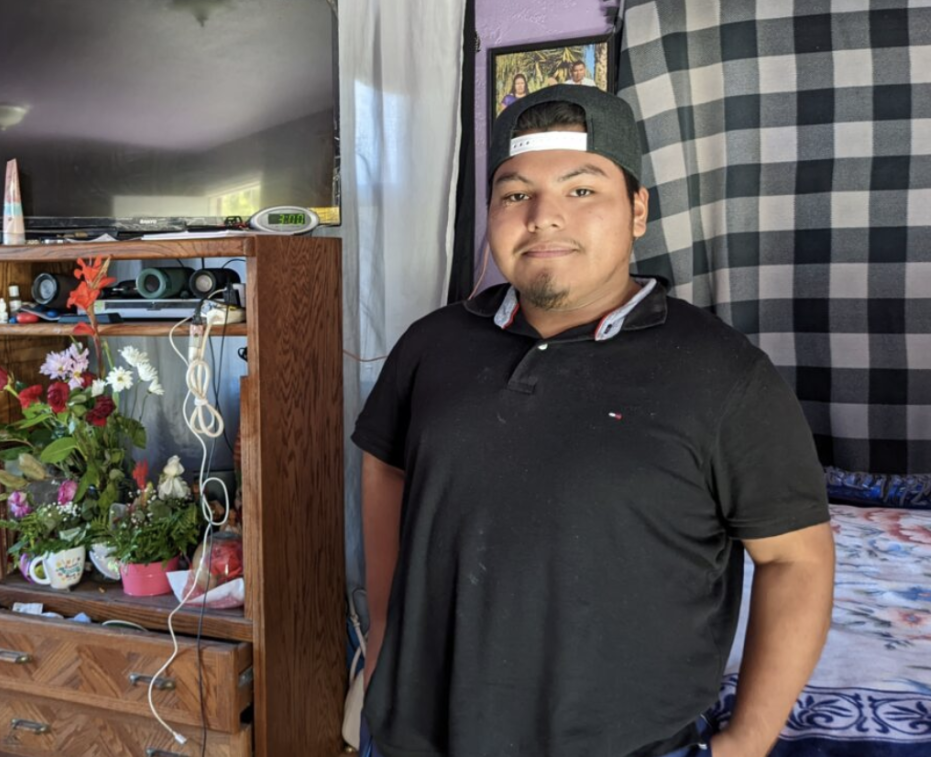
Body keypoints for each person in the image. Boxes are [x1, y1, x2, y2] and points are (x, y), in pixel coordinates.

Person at [354, 85, 834, 757]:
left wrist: (748, 739)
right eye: (514, 193)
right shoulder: (431, 345)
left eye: (581, 191)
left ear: (637, 209)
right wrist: (382, 629)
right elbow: (385, 462)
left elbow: (795, 561)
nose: (543, 217)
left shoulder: (722, 374)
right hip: (414, 736)